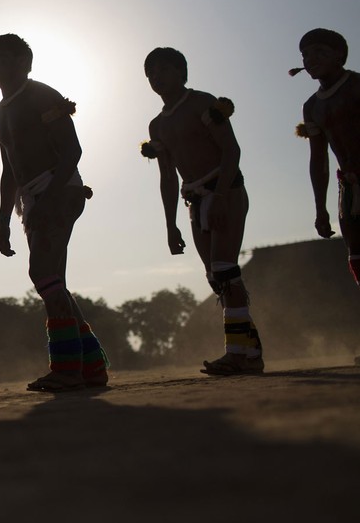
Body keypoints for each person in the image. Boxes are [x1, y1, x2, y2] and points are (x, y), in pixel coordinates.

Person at [0, 33, 109, 392]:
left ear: (25, 64)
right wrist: (3, 221)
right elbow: (9, 171)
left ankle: (69, 368)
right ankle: (91, 365)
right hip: (33, 199)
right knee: (54, 282)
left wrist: (52, 198)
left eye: (5, 58)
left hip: (61, 189)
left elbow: (72, 150)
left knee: (42, 273)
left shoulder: (41, 95)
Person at [141, 47, 262, 375]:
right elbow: (167, 177)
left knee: (224, 268)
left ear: (182, 73)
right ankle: (250, 353)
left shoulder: (201, 103)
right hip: (195, 200)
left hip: (226, 191)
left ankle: (237, 354)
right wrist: (170, 225)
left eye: (164, 69)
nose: (156, 77)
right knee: (215, 277)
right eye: (150, 72)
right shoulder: (157, 126)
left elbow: (231, 151)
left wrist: (221, 195)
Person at [292, 28, 360, 365]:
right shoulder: (312, 107)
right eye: (305, 54)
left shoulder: (358, 86)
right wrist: (320, 209)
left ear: (339, 55)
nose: (310, 59)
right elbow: (318, 159)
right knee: (358, 258)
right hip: (349, 188)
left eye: (318, 51)